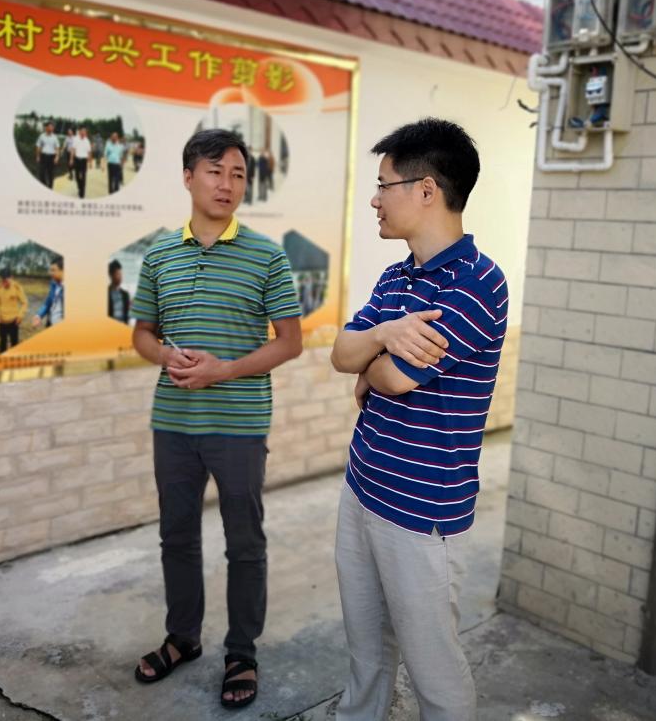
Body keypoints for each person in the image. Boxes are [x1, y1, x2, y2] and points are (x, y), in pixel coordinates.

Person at [329, 119, 508, 721]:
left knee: (435, 670)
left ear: (426, 190)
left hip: (422, 511)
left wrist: (373, 361)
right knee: (366, 653)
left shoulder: (477, 282)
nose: (375, 200)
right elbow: (342, 354)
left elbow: (392, 380)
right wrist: (383, 335)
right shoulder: (396, 276)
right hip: (363, 487)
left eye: (384, 185)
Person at [130, 129, 303, 710]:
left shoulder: (267, 255)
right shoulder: (159, 254)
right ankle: (182, 637)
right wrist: (165, 355)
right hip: (173, 424)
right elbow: (142, 334)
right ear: (188, 177)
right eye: (214, 171)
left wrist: (222, 370)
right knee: (176, 536)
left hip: (239, 426)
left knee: (244, 542)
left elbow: (290, 343)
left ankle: (242, 652)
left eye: (237, 174)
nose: (227, 184)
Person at [0, 266, 27, 352]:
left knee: (14, 342)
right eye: (2, 280)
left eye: (6, 280)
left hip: (14, 321)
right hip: (2, 322)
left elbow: (24, 303)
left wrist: (20, 315)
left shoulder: (17, 287)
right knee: (2, 342)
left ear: (11, 277)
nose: (4, 283)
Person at [33, 256, 64, 328]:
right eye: (50, 270)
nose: (50, 273)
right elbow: (48, 303)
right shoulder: (53, 284)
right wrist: (39, 315)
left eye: (53, 270)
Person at [35, 122, 59, 188]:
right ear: (47, 127)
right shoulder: (42, 136)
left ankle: (50, 187)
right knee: (41, 173)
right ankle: (45, 185)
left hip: (51, 157)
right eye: (50, 127)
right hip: (43, 156)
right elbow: (38, 146)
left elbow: (57, 148)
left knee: (50, 174)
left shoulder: (55, 137)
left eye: (52, 127)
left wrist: (57, 157)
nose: (52, 128)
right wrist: (37, 156)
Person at [106, 259, 129, 324]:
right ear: (111, 275)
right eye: (118, 274)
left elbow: (127, 315)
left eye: (121, 274)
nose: (120, 277)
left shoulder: (125, 294)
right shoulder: (106, 294)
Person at [71, 127, 92, 198]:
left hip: (84, 161)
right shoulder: (75, 139)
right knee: (77, 176)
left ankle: (82, 193)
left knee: (83, 176)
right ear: (80, 132)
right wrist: (71, 159)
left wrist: (90, 162)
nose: (83, 133)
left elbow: (89, 152)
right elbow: (73, 149)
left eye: (85, 132)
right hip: (77, 160)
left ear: (86, 133)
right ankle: (79, 188)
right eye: (82, 131)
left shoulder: (87, 141)